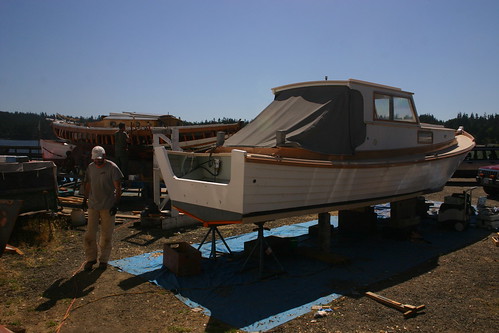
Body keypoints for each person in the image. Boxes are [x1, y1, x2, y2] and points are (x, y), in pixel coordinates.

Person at [82, 146, 123, 271]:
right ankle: (91, 259)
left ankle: (104, 260)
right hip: (93, 205)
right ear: (93, 159)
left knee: (106, 235)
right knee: (89, 235)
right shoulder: (90, 167)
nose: (98, 161)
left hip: (107, 206)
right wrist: (84, 199)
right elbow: (87, 184)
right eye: (95, 159)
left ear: (104, 156)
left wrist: (115, 204)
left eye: (100, 159)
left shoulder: (112, 168)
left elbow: (118, 188)